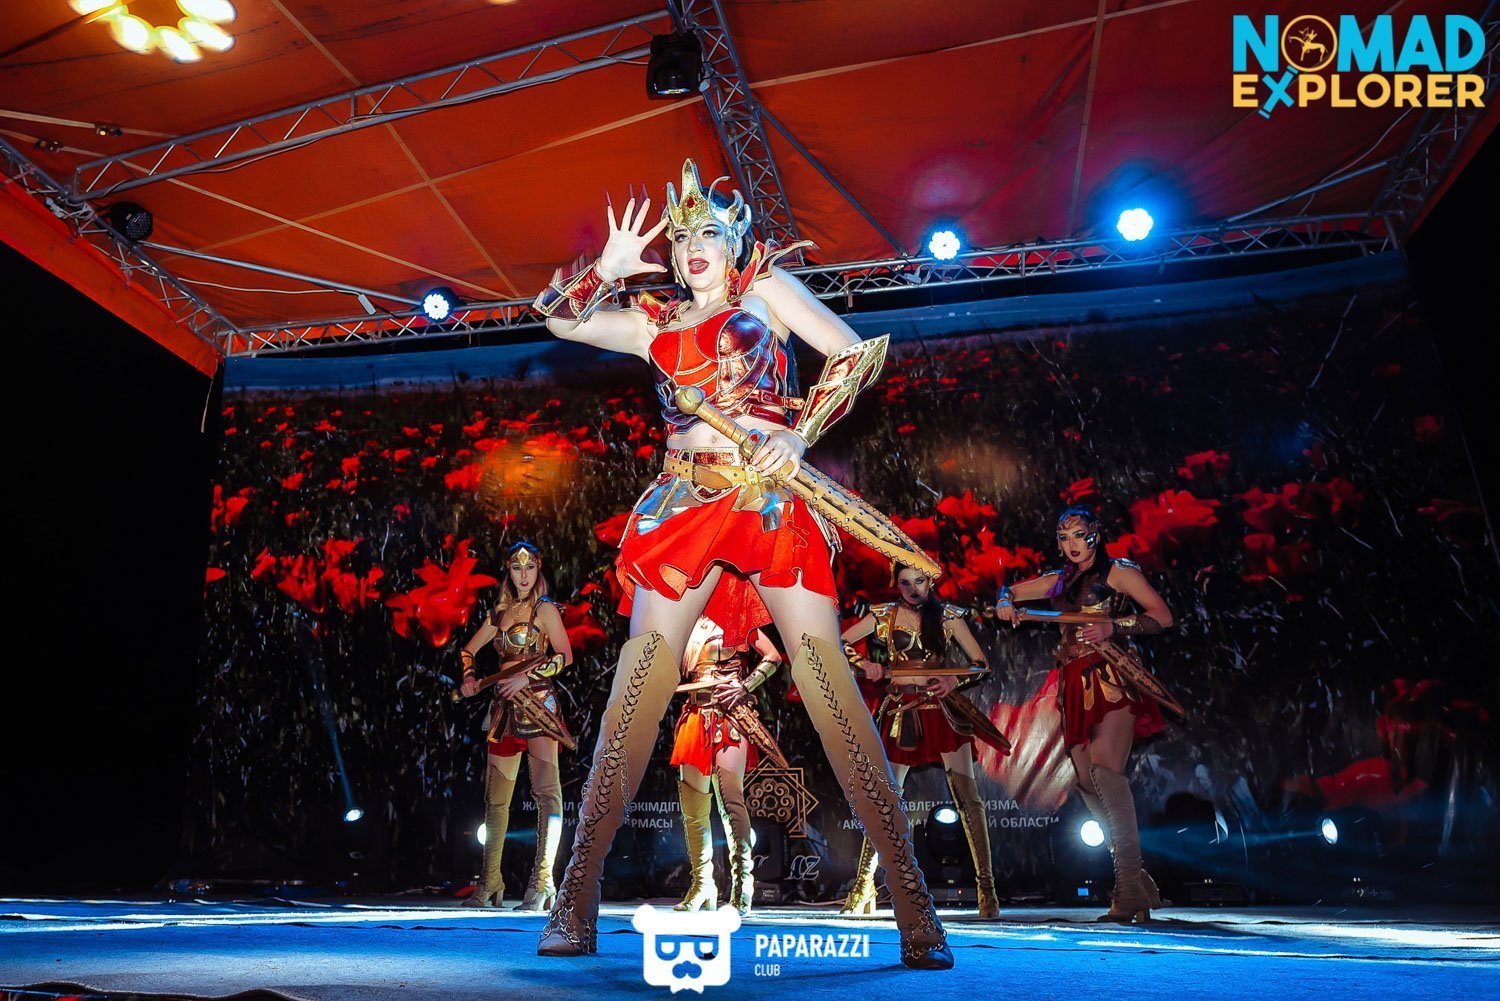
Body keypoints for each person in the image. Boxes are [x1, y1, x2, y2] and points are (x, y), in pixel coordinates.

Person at [530, 159, 951, 969]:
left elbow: (856, 353)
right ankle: (575, 896)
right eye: (683, 235)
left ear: (735, 243)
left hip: (766, 501)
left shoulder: (767, 294)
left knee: (828, 684)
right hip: (681, 505)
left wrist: (799, 431)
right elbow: (556, 321)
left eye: (710, 233)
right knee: (637, 686)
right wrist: (604, 272)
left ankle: (912, 900)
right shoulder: (651, 321)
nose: (694, 245)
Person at [994, 507, 1173, 923]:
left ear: (1095, 535)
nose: (1071, 544)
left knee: (1107, 773)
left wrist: (1114, 627)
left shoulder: (1119, 573)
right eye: (1064, 537)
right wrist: (1005, 602)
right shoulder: (1058, 580)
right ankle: (1138, 881)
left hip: (1111, 678)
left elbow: (1163, 616)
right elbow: (1009, 591)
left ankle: (1126, 888)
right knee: (1088, 783)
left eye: (1078, 535)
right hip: (1073, 682)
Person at [842, 564, 999, 918]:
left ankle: (986, 888)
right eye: (905, 583)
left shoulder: (947, 616)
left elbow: (980, 663)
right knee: (883, 799)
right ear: (896, 584)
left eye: (919, 581)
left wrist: (954, 681)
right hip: (902, 711)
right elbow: (841, 642)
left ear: (931, 581)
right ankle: (863, 885)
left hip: (940, 711)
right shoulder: (885, 615)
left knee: (968, 799)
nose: (913, 589)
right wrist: (864, 663)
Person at [456, 541, 573, 910]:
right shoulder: (500, 613)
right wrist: (469, 677)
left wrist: (526, 677)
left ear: (539, 569)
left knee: (546, 794)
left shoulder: (546, 609)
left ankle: (543, 882)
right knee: (496, 800)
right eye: (517, 568)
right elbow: (467, 650)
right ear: (508, 570)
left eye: (530, 567)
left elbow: (565, 656)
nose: (524, 575)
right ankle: (490, 879)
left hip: (538, 706)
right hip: (504, 710)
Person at [670, 618, 782, 915]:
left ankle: (743, 884)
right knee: (694, 808)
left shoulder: (738, 616)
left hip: (729, 716)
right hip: (695, 713)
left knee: (730, 801)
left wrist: (745, 685)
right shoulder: (685, 617)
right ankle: (702, 884)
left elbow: (773, 656)